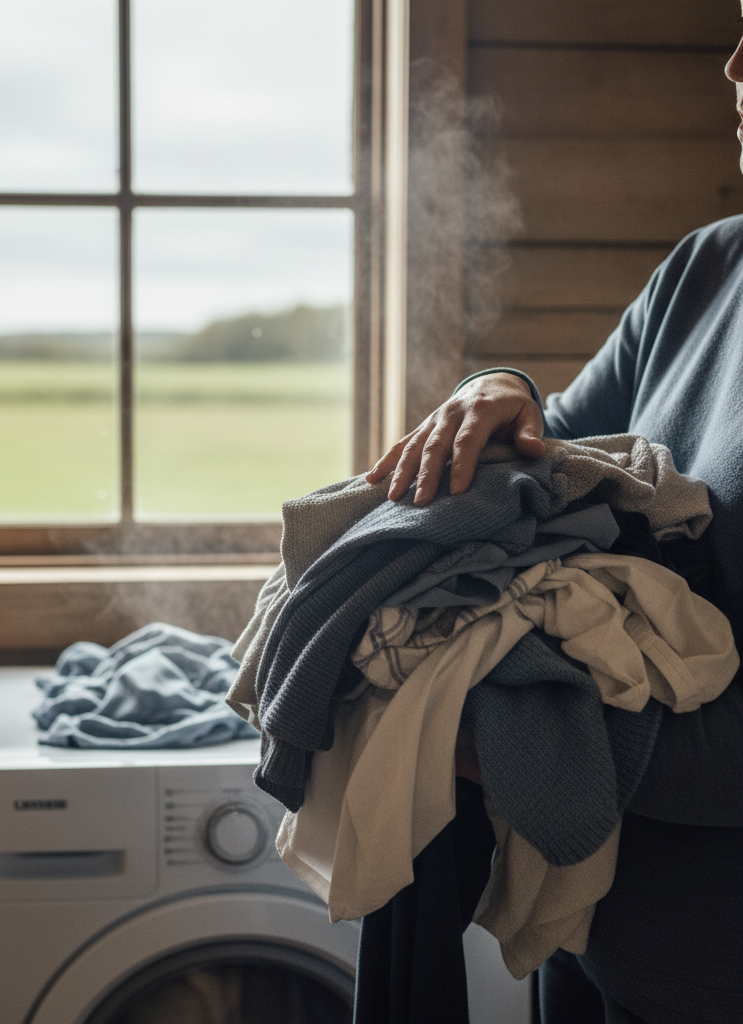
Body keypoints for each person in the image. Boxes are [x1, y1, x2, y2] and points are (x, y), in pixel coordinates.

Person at [363, 24, 743, 1024]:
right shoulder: (707, 270)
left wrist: (486, 739)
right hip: (584, 927)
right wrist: (494, 385)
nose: (734, 68)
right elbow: (556, 452)